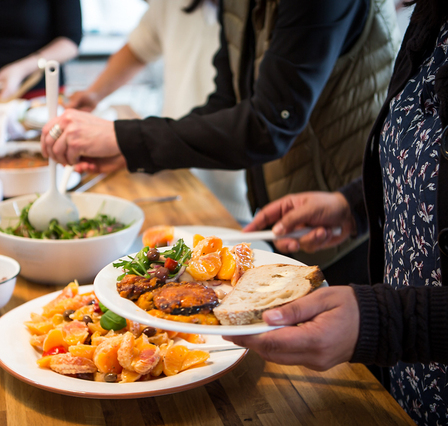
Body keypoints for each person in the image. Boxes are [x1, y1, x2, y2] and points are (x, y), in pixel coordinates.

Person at [41, 0, 399, 283]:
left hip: (360, 220)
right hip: (299, 215)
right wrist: (128, 150)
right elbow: (226, 103)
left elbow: (267, 126)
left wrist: (123, 136)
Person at [225, 1, 448, 423]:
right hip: (407, 388)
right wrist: (353, 206)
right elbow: (420, 159)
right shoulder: (432, 19)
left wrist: (383, 321)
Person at [67, 0, 252, 223]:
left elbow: (255, 119)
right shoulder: (169, 4)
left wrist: (129, 139)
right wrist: (94, 94)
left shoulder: (254, 11)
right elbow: (137, 49)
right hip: (173, 162)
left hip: (238, 188)